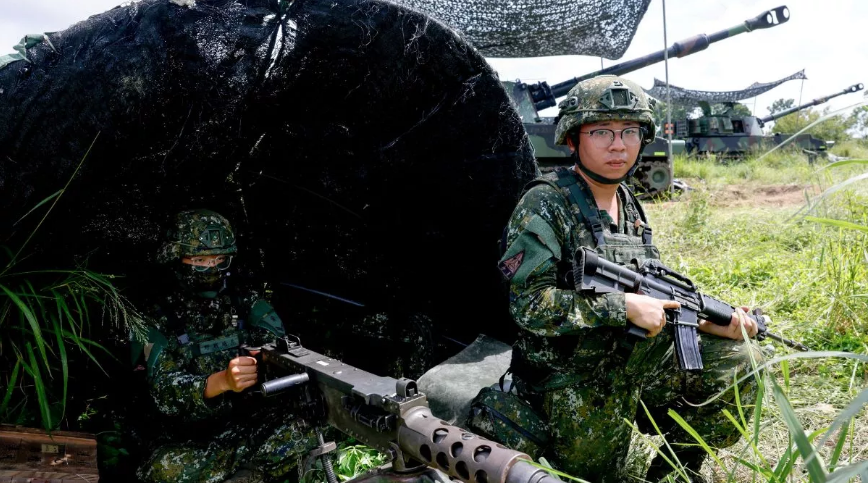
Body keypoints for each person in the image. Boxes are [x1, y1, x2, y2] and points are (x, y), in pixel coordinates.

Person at [496, 75, 764, 483]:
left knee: (744, 364)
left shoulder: (628, 203)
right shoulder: (546, 202)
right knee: (600, 477)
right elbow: (528, 305)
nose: (618, 145)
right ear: (573, 138)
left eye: (630, 132)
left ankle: (673, 473)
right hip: (573, 376)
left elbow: (648, 293)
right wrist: (621, 308)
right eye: (602, 132)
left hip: (633, 360)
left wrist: (711, 323)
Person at [133, 209, 319, 483]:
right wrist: (220, 382)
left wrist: (265, 361)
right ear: (176, 258)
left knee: (310, 427)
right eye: (200, 261)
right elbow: (163, 392)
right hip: (188, 441)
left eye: (220, 260)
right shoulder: (155, 318)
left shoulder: (244, 302)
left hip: (246, 429)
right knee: (164, 469)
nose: (211, 269)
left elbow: (282, 347)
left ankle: (248, 475)